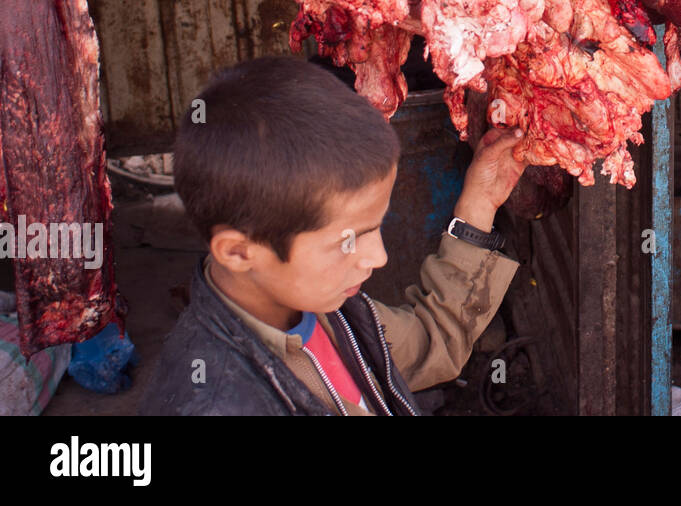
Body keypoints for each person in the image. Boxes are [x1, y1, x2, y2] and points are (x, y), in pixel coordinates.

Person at [138, 56, 525, 415]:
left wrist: (480, 204)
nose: (379, 257)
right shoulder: (218, 401)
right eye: (349, 239)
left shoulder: (328, 312)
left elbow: (431, 340)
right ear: (239, 251)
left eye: (376, 226)